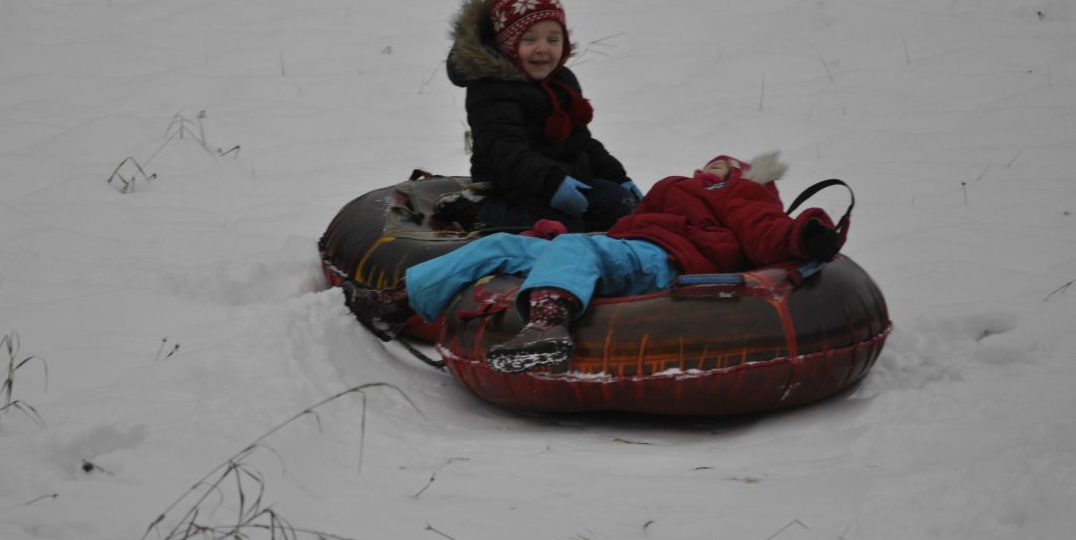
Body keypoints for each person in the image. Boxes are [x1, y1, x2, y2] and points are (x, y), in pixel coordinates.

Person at [344, 151, 844, 373]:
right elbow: (621, 232)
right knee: (502, 245)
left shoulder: (741, 195)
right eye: (712, 163)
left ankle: (547, 326)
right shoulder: (674, 189)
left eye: (725, 166)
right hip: (626, 247)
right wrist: (552, 236)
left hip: (665, 261)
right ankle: (398, 303)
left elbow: (769, 232)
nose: (714, 165)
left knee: (579, 249)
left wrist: (810, 232)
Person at [434, 0, 640, 233]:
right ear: (508, 45)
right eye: (529, 40)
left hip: (561, 181)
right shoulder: (491, 88)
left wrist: (617, 177)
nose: (543, 49)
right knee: (556, 227)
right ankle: (475, 212)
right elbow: (503, 150)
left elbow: (580, 141)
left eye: (553, 40)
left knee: (618, 204)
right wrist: (552, 182)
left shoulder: (562, 82)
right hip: (510, 187)